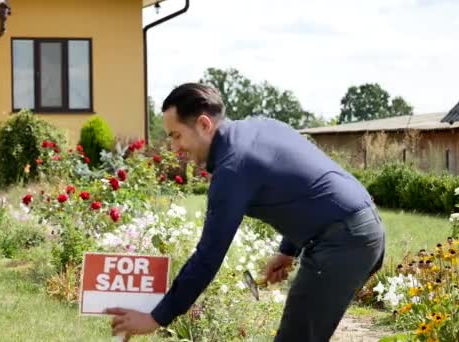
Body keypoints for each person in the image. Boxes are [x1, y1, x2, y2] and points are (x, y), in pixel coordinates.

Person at [106, 83, 385, 341]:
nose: (174, 147)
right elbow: (305, 184)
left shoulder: (232, 167)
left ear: (204, 124)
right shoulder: (259, 127)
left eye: (176, 135)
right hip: (357, 227)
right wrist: (288, 250)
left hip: (344, 240)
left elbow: (208, 257)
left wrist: (156, 317)